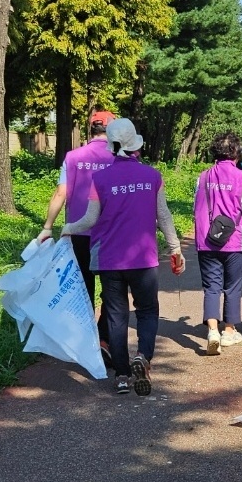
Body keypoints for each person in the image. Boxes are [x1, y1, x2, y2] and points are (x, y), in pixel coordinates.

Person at [61, 118, 185, 396]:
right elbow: (163, 216)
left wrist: (65, 229)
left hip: (109, 260)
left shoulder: (100, 178)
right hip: (143, 259)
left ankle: (121, 376)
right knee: (147, 311)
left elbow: (89, 220)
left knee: (116, 317)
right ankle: (143, 356)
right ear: (136, 147)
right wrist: (175, 247)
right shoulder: (152, 176)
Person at [38, 109, 118, 366]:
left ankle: (85, 341)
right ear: (112, 129)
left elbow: (61, 193)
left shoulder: (73, 157)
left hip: (78, 233)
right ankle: (104, 338)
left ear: (90, 128)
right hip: (110, 234)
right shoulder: (119, 157)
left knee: (82, 287)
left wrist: (48, 226)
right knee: (112, 290)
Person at [193, 131, 242, 355]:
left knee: (211, 287)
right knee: (232, 286)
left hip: (207, 239)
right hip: (235, 240)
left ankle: (212, 330)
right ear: (235, 152)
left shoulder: (203, 177)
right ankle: (229, 331)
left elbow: (197, 204)